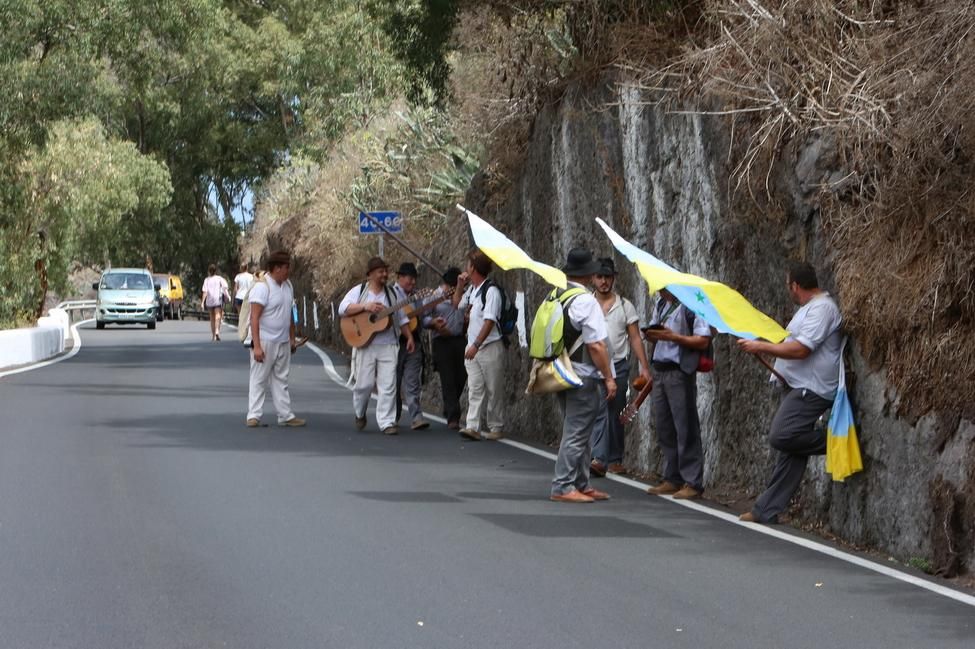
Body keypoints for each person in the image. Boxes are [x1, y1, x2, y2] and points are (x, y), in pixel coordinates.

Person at [737, 262, 843, 523]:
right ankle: (767, 510)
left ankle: (838, 441)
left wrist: (761, 348)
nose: (789, 291)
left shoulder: (823, 309)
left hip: (813, 388)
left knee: (782, 435)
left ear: (795, 285)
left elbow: (801, 349)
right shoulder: (808, 310)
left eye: (789, 286)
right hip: (798, 385)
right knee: (792, 451)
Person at [550, 247, 617, 503]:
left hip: (560, 372)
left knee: (582, 430)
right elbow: (596, 345)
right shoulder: (586, 300)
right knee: (577, 433)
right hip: (583, 375)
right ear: (589, 273)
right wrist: (609, 377)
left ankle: (581, 482)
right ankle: (563, 485)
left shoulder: (558, 294)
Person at [643, 288, 713, 500]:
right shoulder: (660, 305)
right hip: (660, 370)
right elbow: (656, 334)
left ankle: (693, 481)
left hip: (679, 371)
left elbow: (703, 340)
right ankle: (672, 477)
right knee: (665, 427)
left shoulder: (691, 304)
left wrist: (674, 337)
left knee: (686, 426)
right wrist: (653, 335)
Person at [338, 257, 415, 435]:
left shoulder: (392, 294)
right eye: (380, 271)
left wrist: (409, 337)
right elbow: (343, 308)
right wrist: (366, 307)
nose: (384, 274)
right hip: (365, 344)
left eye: (385, 271)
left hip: (388, 344)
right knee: (363, 385)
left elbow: (401, 318)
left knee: (388, 385)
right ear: (370, 274)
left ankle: (387, 422)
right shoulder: (360, 291)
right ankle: (360, 412)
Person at [589, 257, 651, 477]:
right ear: (593, 279)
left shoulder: (625, 306)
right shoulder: (587, 303)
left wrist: (644, 367)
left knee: (615, 411)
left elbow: (635, 337)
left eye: (607, 277)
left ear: (614, 278)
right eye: (599, 277)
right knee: (599, 409)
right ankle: (599, 457)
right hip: (593, 364)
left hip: (619, 366)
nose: (604, 281)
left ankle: (615, 458)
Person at [246, 251, 305, 428]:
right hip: (265, 340)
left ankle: (285, 415)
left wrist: (292, 338)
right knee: (259, 378)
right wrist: (257, 346)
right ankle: (253, 414)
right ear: (277, 268)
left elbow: (289, 313)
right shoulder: (262, 287)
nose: (289, 271)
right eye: (286, 267)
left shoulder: (288, 286)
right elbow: (254, 318)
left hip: (283, 340)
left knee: (281, 378)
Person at [452, 250, 504, 441]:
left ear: (473, 268)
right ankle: (472, 425)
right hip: (473, 347)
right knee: (474, 387)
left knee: (493, 388)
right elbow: (457, 304)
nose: (466, 267)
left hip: (489, 346)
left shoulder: (491, 291)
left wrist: (476, 344)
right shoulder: (473, 290)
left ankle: (496, 426)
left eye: (468, 264)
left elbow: (489, 321)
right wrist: (459, 285)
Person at [423, 267, 466, 430]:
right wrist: (434, 323)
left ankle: (449, 407)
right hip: (441, 341)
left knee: (462, 375)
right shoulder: (434, 297)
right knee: (447, 378)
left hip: (460, 339)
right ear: (446, 284)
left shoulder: (462, 295)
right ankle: (453, 417)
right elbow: (424, 318)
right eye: (451, 287)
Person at [392, 262, 429, 431]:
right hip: (394, 343)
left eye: (414, 280)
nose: (412, 283)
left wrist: (431, 321)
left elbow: (423, 317)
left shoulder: (417, 296)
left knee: (412, 381)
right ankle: (394, 416)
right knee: (394, 381)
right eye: (409, 279)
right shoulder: (390, 295)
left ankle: (416, 416)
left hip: (414, 341)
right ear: (400, 277)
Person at [202, 264, 231, 341]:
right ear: (216, 271)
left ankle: (213, 336)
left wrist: (202, 302)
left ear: (209, 271)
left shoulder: (206, 280)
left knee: (212, 318)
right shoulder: (219, 278)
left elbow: (205, 291)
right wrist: (227, 296)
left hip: (209, 301)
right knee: (218, 315)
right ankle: (217, 331)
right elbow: (225, 287)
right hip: (217, 300)